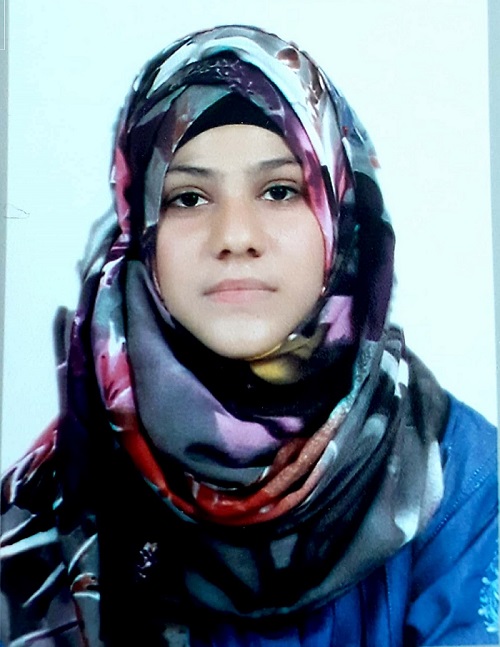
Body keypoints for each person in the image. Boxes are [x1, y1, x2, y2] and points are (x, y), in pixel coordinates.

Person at [0, 24, 497, 647]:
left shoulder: (460, 479)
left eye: (280, 190)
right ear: (140, 228)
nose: (235, 235)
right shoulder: (54, 499)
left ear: (341, 219)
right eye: (188, 198)